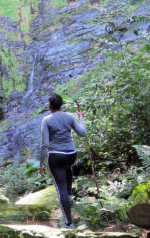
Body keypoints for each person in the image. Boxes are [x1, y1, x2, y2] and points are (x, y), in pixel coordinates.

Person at [39, 93, 86, 228]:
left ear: (50, 105)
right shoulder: (70, 117)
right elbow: (82, 133)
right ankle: (69, 203)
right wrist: (81, 118)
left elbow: (44, 145)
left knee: (61, 190)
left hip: (56, 156)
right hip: (71, 155)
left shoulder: (47, 120)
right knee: (67, 179)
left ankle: (69, 223)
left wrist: (42, 163)